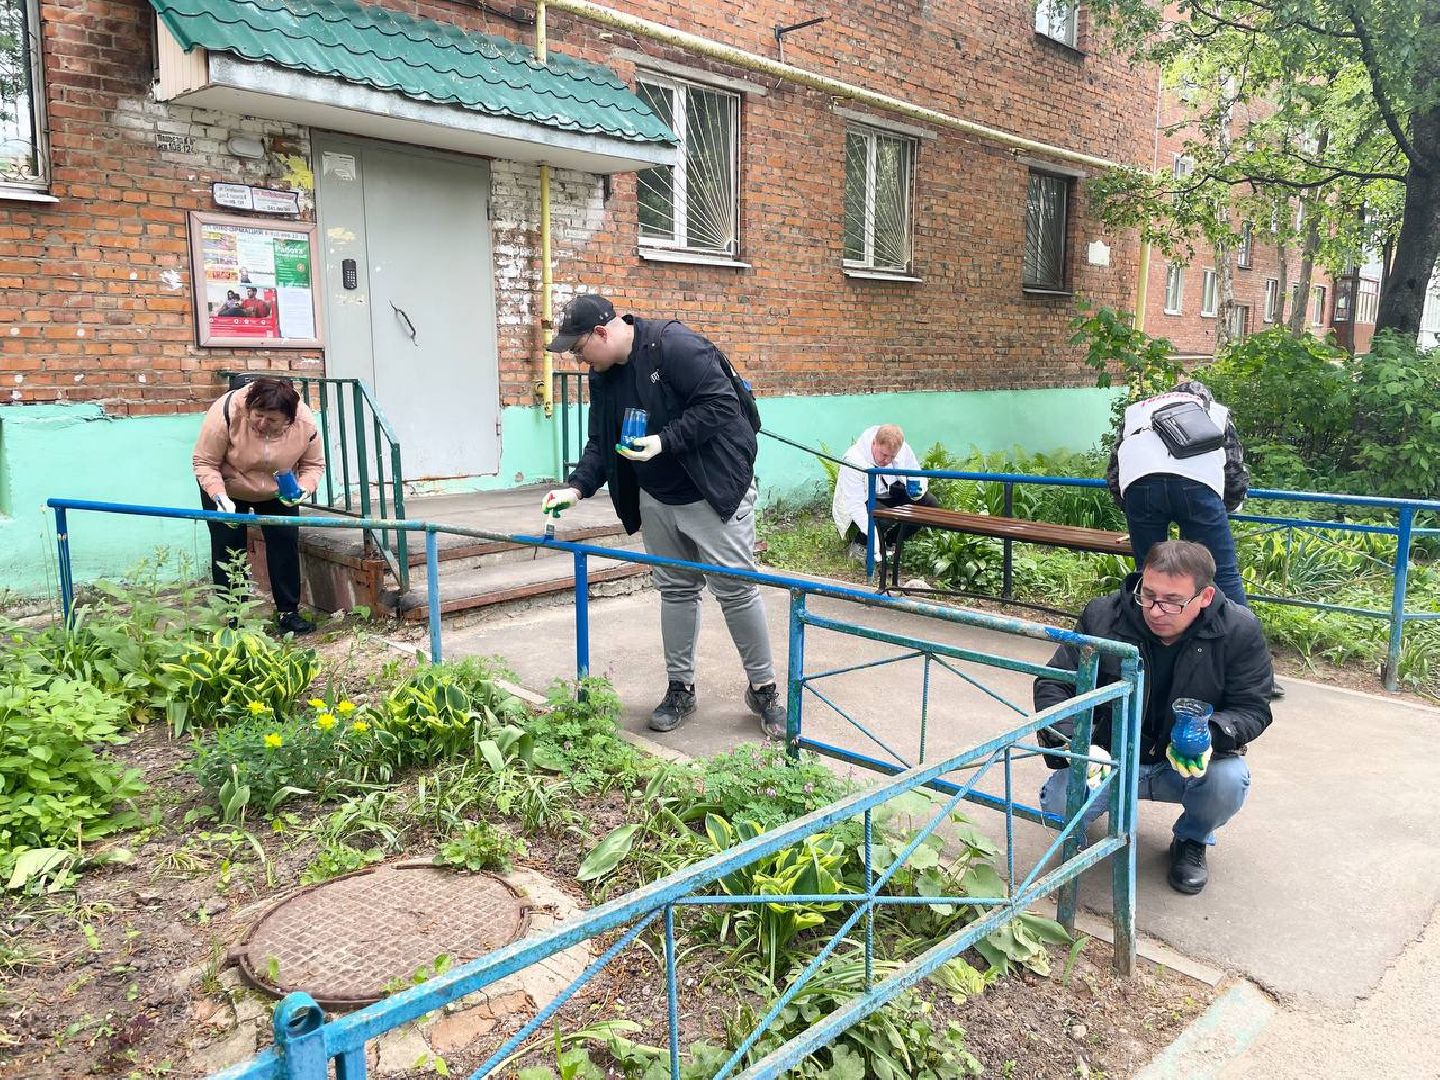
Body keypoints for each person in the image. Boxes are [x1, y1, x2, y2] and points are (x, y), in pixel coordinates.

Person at [540, 293, 785, 738]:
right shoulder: (604, 374)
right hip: (657, 496)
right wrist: (576, 488)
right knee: (675, 590)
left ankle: (764, 690)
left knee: (736, 590)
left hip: (712, 491)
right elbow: (601, 439)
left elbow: (720, 405)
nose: (579, 360)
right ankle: (680, 688)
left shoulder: (675, 346)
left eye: (578, 349)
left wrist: (663, 441)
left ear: (602, 332)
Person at [1033, 540, 1273, 895]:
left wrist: (1211, 733)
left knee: (1228, 781)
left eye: (1173, 601)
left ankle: (1191, 839)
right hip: (1110, 756)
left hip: (1185, 764)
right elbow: (1055, 682)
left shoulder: (1238, 629)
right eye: (1148, 594)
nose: (1156, 611)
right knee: (1058, 802)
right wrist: (1075, 744)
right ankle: (1076, 831)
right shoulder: (1102, 615)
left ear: (1204, 597)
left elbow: (1253, 707)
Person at [193, 377, 325, 635]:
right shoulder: (227, 411)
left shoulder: (305, 423)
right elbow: (204, 462)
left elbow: (313, 465)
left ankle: (289, 612)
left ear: (289, 418)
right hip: (227, 487)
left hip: (278, 489)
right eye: (258, 415)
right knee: (229, 549)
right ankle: (234, 618)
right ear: (249, 407)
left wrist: (304, 488)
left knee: (284, 544)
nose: (263, 424)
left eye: (272, 420)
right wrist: (219, 496)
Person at [1107, 379, 1248, 607]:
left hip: (1140, 487)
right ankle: (1240, 639)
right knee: (1222, 573)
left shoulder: (1138, 412)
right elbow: (1234, 471)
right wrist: (1228, 507)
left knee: (1149, 572)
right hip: (1198, 487)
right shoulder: (1214, 411)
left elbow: (1114, 472)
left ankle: (1144, 637)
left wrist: (1131, 510)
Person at [831, 423, 939, 561]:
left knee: (930, 505)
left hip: (893, 490)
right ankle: (861, 544)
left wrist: (918, 489)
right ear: (874, 443)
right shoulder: (853, 460)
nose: (887, 460)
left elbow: (916, 473)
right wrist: (872, 534)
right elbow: (854, 504)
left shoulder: (903, 449)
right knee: (884, 515)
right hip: (866, 497)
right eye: (884, 454)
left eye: (892, 457)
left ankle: (889, 541)